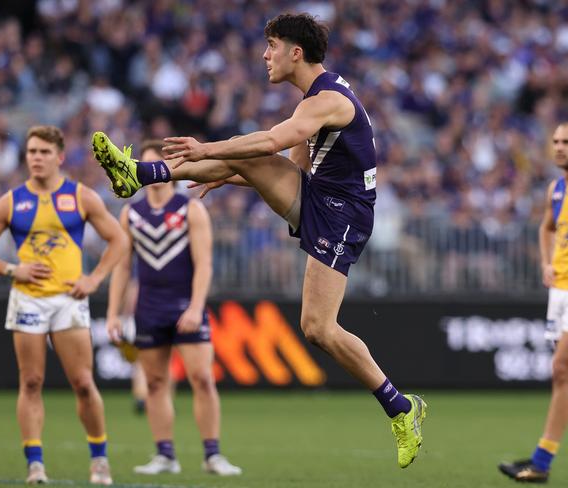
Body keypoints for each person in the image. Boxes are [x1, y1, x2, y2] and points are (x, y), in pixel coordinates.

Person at [92, 13, 426, 468]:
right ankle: (141, 175)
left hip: (343, 214)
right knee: (244, 164)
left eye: (271, 45)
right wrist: (229, 174)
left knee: (319, 328)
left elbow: (269, 144)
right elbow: (287, 168)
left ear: (296, 52)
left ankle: (402, 408)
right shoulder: (312, 101)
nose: (265, 55)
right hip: (321, 198)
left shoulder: (328, 100)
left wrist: (209, 150)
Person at [0, 125, 126, 485]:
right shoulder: (11, 201)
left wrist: (94, 279)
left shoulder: (81, 197)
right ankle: (35, 463)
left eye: (43, 152)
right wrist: (12, 269)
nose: (36, 158)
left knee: (83, 383)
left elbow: (118, 240)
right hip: (29, 299)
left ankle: (99, 458)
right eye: (32, 152)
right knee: (32, 381)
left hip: (68, 299)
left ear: (60, 156)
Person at [106, 140, 242, 476]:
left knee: (201, 379)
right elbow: (123, 266)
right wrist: (113, 313)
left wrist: (196, 307)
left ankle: (213, 454)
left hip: (185, 304)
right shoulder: (131, 213)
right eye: (145, 167)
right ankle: (164, 454)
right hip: (149, 308)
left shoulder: (190, 208)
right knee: (154, 383)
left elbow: (204, 264)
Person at [498, 121, 568, 484]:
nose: (559, 147)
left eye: (567, 141)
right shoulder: (556, 189)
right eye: (555, 141)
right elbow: (547, 227)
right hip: (562, 293)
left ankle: (541, 462)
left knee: (563, 371)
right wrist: (546, 262)